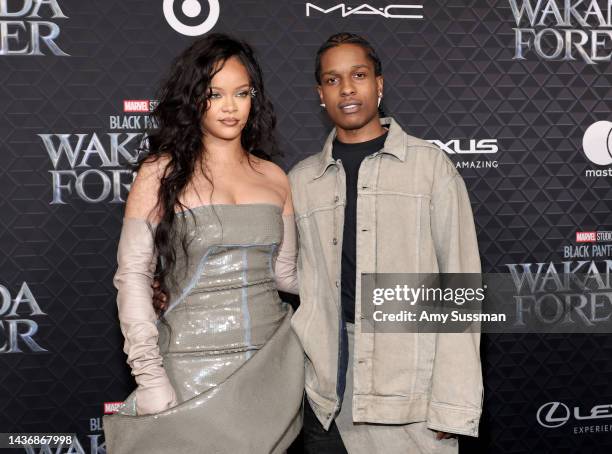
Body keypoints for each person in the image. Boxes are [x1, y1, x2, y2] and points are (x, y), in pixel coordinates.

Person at [103, 33, 304, 454]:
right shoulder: (160, 173)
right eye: (215, 94)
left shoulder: (275, 178)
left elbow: (285, 275)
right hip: (186, 367)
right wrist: (150, 377)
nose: (231, 107)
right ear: (194, 99)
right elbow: (133, 277)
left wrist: (370, 284)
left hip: (268, 369)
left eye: (242, 93)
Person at [288, 33, 483, 453]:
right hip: (326, 398)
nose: (347, 89)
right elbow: (289, 274)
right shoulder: (302, 180)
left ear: (379, 83)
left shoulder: (430, 168)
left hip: (409, 393)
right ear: (320, 93)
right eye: (332, 79)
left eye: (358, 75)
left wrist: (453, 402)